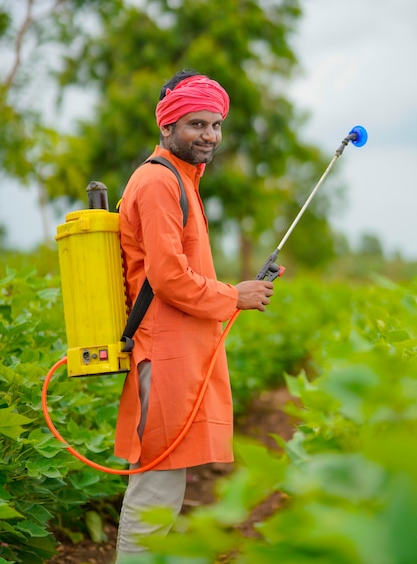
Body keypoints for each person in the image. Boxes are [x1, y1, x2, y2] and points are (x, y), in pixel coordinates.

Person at [114, 69, 274, 562]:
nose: (209, 136)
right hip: (164, 356)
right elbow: (169, 279)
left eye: (216, 125)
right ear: (167, 127)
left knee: (166, 483)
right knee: (156, 487)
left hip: (180, 353)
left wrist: (239, 290)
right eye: (196, 124)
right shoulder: (159, 182)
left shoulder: (182, 180)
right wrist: (234, 296)